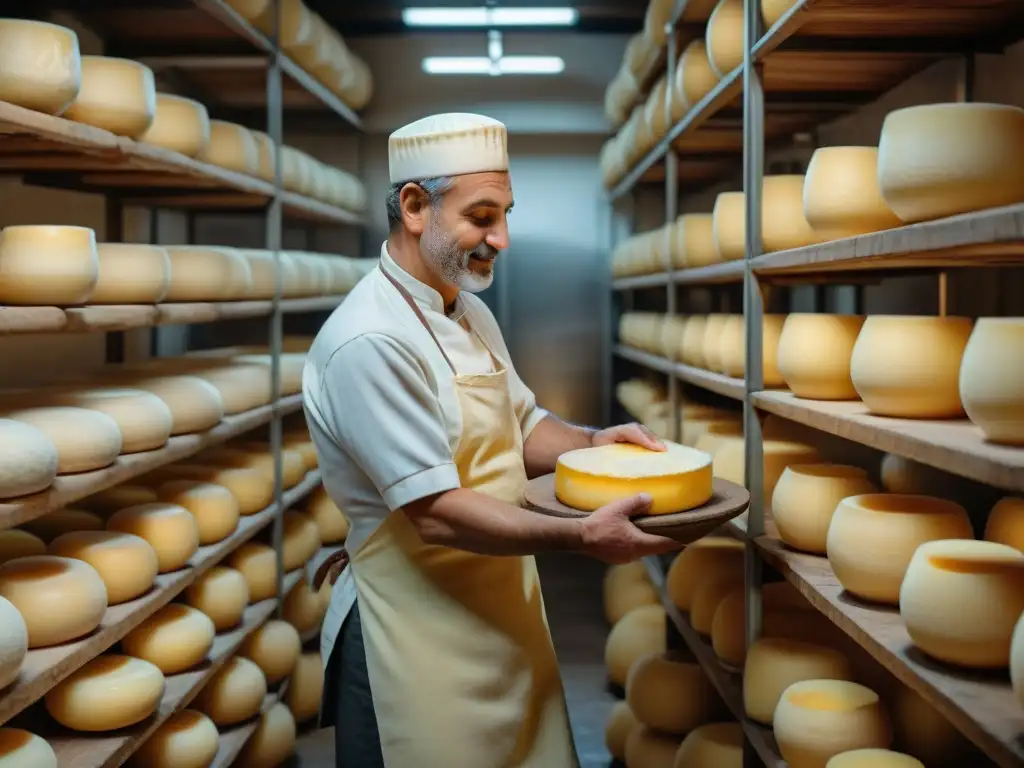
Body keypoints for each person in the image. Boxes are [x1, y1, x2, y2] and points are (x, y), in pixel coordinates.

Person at [303, 112, 680, 767]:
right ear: (416, 207)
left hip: (498, 607)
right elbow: (435, 512)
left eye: (505, 213)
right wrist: (578, 536)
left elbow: (522, 425)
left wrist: (596, 443)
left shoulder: (465, 307)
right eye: (482, 216)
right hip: (412, 630)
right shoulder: (370, 341)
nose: (502, 237)